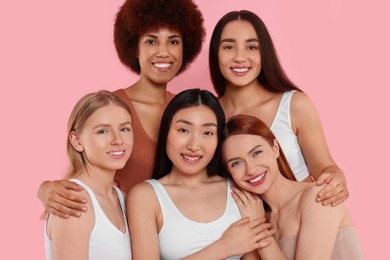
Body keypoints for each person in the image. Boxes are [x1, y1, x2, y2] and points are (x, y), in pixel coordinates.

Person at [37, 0, 206, 218]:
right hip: (127, 240)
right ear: (135, 48)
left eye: (173, 41)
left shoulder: (189, 109)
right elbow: (79, 166)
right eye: (151, 41)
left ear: (186, 47)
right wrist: (46, 189)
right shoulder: (110, 107)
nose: (163, 52)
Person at [209, 10, 349, 207]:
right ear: (216, 53)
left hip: (300, 224)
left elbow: (324, 167)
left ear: (264, 52)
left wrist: (336, 179)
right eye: (229, 47)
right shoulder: (207, 116)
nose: (240, 57)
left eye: (251, 47)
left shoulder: (294, 105)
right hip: (246, 232)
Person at [127, 89, 274, 259]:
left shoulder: (239, 189)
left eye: (207, 133)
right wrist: (223, 247)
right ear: (166, 132)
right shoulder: (146, 196)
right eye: (183, 130)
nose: (194, 145)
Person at [222, 114, 363, 260]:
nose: (250, 169)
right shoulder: (257, 217)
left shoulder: (318, 196)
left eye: (257, 153)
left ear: (275, 148)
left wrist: (260, 231)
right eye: (236, 163)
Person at [44, 90, 133, 259]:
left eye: (124, 128)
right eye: (102, 131)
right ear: (77, 141)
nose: (118, 140)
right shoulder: (73, 202)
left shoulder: (121, 198)